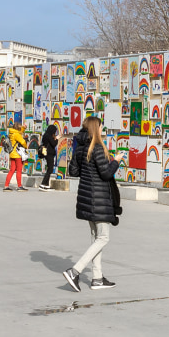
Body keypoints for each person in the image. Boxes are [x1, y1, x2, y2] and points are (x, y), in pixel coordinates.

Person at [63, 115, 120, 291]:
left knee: (96, 238)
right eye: (101, 127)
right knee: (103, 238)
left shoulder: (81, 148)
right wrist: (116, 162)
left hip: (87, 199)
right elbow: (106, 173)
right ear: (96, 129)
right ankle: (75, 271)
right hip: (99, 200)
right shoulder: (97, 148)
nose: (102, 130)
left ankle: (97, 278)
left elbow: (73, 171)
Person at [3, 121, 28, 191]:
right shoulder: (17, 134)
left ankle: (6, 185)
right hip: (18, 154)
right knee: (19, 170)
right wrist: (26, 147)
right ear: (18, 128)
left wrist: (23, 128)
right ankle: (19, 186)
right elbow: (23, 141)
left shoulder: (11, 133)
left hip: (12, 154)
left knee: (12, 170)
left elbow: (20, 132)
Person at [40, 123, 59, 189]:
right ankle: (43, 183)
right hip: (49, 153)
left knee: (49, 168)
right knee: (50, 169)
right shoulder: (49, 136)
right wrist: (56, 139)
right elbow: (54, 144)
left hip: (46, 153)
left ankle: (46, 184)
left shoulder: (45, 135)